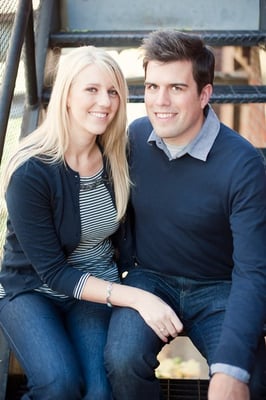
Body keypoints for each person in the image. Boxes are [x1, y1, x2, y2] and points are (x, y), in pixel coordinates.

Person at [0, 45, 183, 400]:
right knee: (59, 385)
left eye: (113, 91)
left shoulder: (118, 154)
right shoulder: (31, 173)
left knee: (100, 392)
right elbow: (54, 273)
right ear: (66, 96)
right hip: (32, 290)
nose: (105, 101)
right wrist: (138, 298)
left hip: (95, 288)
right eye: (92, 89)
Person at [104, 30, 266, 400]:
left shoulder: (242, 165)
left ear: (204, 94)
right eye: (151, 87)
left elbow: (253, 271)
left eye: (176, 88)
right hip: (150, 279)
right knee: (122, 361)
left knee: (250, 380)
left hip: (218, 289)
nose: (160, 102)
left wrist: (231, 369)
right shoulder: (135, 138)